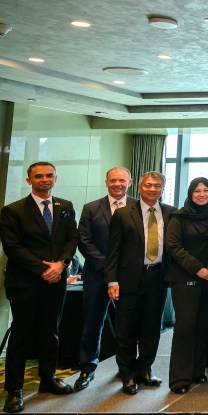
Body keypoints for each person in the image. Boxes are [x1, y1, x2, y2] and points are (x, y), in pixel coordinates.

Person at [0, 162, 79, 413]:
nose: (45, 180)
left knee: (50, 332)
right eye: (39, 176)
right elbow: (12, 247)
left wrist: (62, 264)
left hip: (56, 283)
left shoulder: (65, 206)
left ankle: (48, 379)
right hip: (26, 283)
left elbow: (72, 238)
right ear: (29, 180)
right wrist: (44, 269)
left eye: (49, 175)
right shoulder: (13, 210)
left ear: (56, 177)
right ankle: (14, 389)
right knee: (21, 335)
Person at [106, 171, 176, 395]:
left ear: (162, 188)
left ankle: (145, 369)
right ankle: (127, 374)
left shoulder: (171, 213)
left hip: (158, 278)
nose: (152, 189)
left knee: (151, 328)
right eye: (148, 185)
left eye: (157, 185)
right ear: (139, 187)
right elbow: (113, 251)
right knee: (126, 329)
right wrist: (112, 281)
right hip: (129, 279)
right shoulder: (124, 214)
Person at [74, 166, 136, 392]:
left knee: (128, 326)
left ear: (129, 182)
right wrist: (108, 268)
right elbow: (84, 240)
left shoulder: (138, 207)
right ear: (106, 182)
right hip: (96, 276)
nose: (117, 184)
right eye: (113, 180)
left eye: (122, 180)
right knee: (92, 324)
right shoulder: (91, 208)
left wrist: (121, 270)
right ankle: (87, 368)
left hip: (129, 276)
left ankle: (126, 369)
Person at [165, 177, 208, 394]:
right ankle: (179, 379)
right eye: (197, 190)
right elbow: (174, 247)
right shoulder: (178, 217)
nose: (202, 194)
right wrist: (200, 270)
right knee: (185, 328)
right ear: (190, 193)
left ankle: (197, 371)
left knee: (203, 327)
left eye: (206, 190)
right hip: (186, 278)